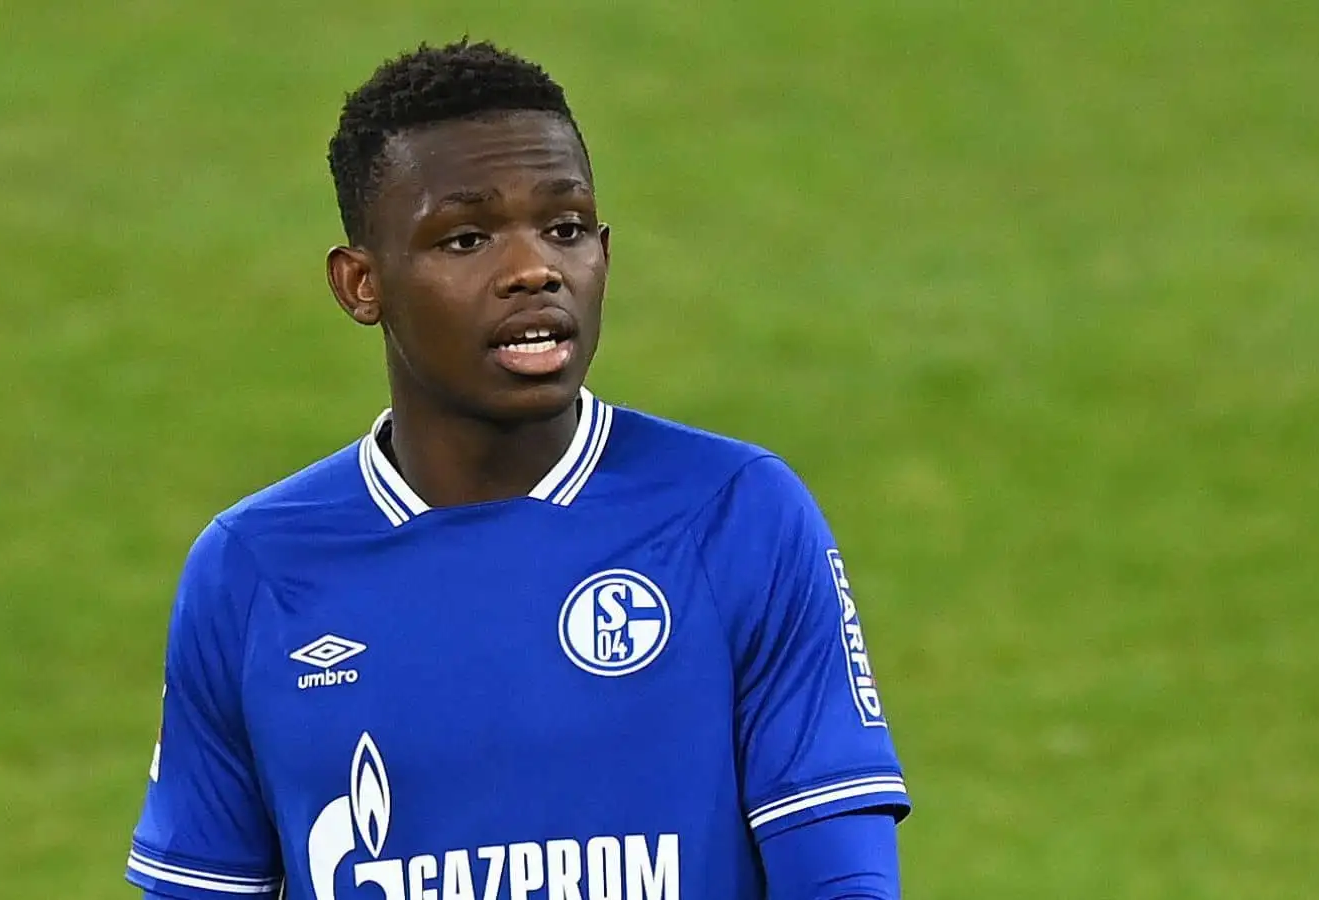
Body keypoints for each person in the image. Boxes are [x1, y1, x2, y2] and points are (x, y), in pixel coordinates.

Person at [125, 39, 911, 900]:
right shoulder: (254, 570)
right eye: (465, 238)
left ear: (604, 254)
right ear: (360, 284)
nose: (534, 269)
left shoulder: (734, 515)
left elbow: (841, 881)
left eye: (565, 228)